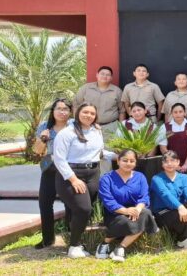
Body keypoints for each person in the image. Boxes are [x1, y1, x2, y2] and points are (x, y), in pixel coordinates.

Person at [52, 103, 114, 258]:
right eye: (85, 112)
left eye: (92, 113)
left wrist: (119, 156)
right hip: (71, 174)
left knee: (82, 210)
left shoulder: (96, 131)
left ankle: (77, 242)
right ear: (78, 113)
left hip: (93, 173)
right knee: (83, 209)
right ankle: (74, 246)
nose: (88, 115)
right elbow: (59, 159)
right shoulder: (67, 133)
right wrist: (74, 179)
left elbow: (99, 153)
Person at [96, 149, 158, 262]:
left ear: (135, 163)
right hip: (115, 213)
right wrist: (126, 211)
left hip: (136, 212)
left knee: (146, 213)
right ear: (118, 161)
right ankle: (105, 243)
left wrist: (137, 209)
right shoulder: (107, 178)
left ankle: (120, 247)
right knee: (129, 221)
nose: (128, 163)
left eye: (132, 161)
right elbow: (108, 201)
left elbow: (144, 197)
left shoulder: (140, 177)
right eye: (125, 160)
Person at [35, 98, 74, 249]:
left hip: (69, 168)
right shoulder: (44, 126)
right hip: (50, 169)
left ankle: (71, 237)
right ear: (53, 111)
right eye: (59, 108)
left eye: (66, 109)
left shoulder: (73, 126)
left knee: (70, 203)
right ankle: (47, 239)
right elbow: (37, 151)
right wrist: (43, 138)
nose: (62, 112)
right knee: (45, 203)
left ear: (70, 112)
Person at [150, 151, 187, 248]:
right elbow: (165, 194)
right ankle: (183, 238)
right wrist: (180, 206)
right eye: (166, 161)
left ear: (178, 162)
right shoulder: (157, 179)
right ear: (162, 164)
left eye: (172, 161)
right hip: (163, 213)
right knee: (177, 215)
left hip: (179, 210)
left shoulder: (184, 177)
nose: (169, 164)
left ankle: (185, 236)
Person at [73, 65, 125, 141]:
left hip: (110, 127)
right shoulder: (86, 88)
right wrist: (77, 122)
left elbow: (122, 111)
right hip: (88, 126)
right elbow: (76, 105)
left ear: (111, 78)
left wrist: (121, 128)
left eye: (108, 75)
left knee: (109, 151)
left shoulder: (117, 91)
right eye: (102, 74)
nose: (105, 76)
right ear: (97, 75)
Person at [164, 103, 187, 181]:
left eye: (180, 111)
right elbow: (163, 147)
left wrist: (186, 164)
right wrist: (174, 164)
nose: (178, 114)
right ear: (171, 113)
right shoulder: (165, 127)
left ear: (185, 113)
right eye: (175, 112)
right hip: (170, 164)